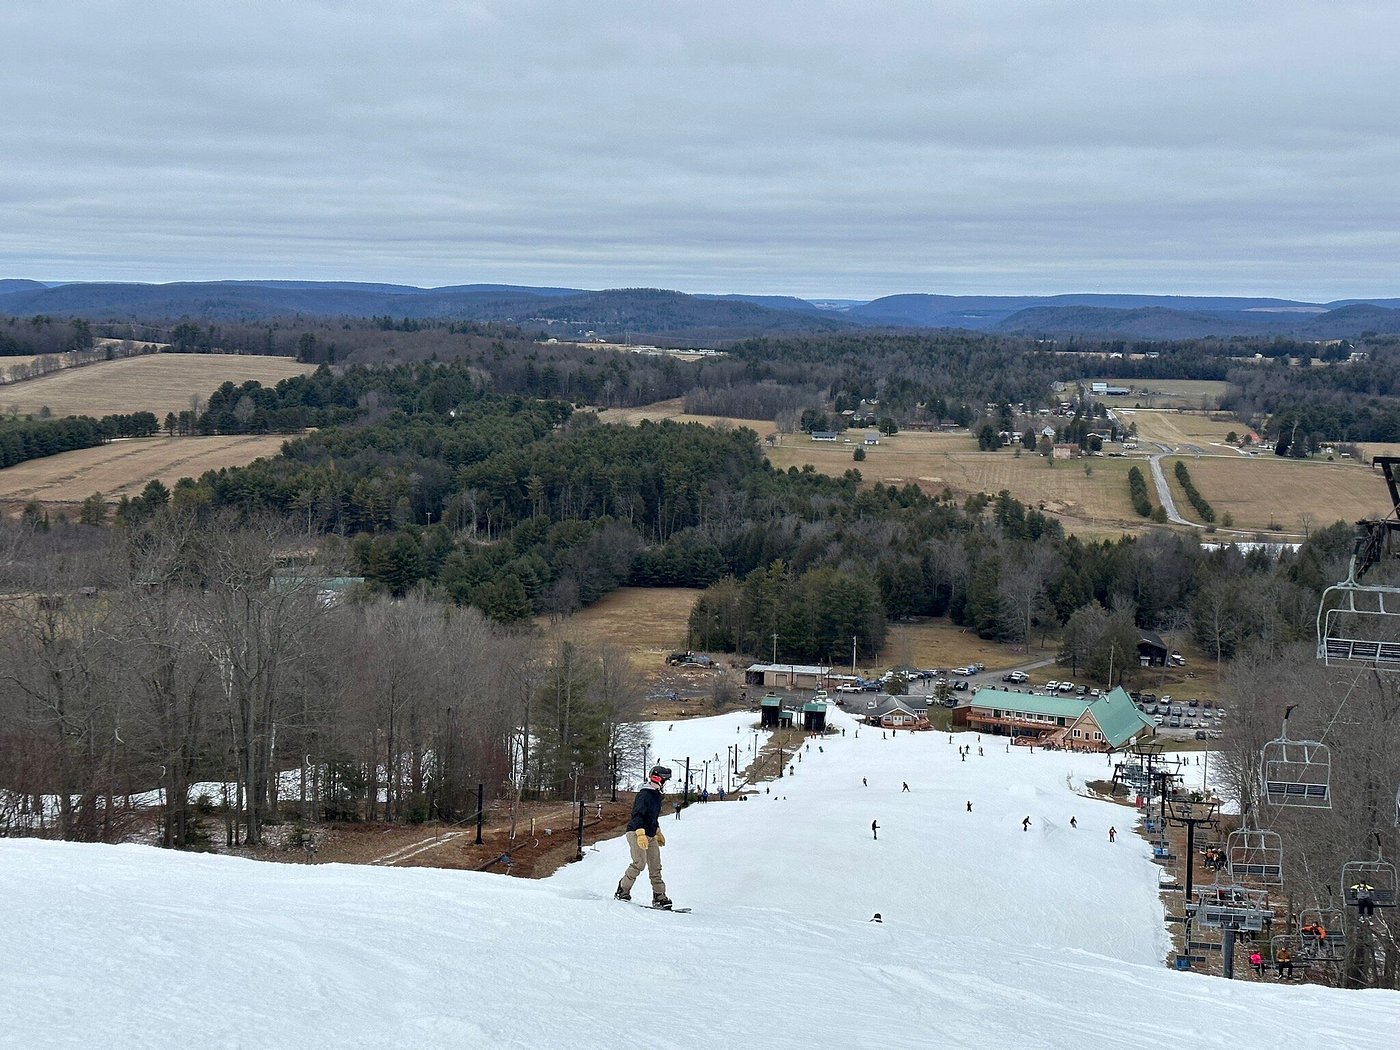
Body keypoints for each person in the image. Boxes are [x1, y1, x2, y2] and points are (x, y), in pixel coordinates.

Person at [615, 765, 673, 910]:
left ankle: (659, 896)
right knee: (639, 863)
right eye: (664, 779)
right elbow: (637, 815)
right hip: (636, 832)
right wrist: (640, 833)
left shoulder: (657, 795)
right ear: (658, 778)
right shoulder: (644, 794)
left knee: (655, 866)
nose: (665, 783)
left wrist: (657, 831)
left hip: (650, 834)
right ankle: (623, 889)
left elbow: (652, 817)